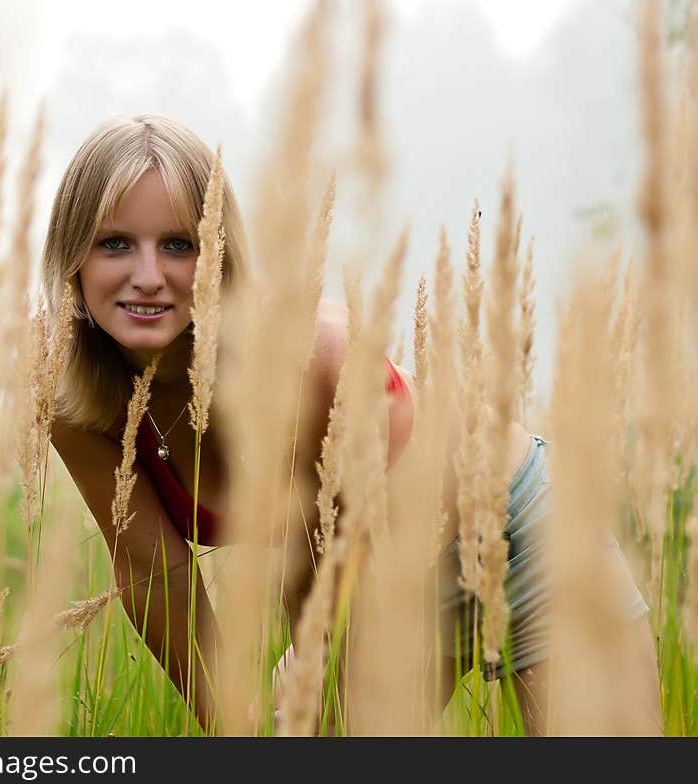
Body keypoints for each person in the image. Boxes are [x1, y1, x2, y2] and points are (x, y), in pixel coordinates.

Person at [43, 114, 662, 736]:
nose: (148, 276)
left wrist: (315, 648)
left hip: (516, 529)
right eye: (115, 242)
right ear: (71, 253)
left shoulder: (312, 357)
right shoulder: (68, 397)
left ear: (220, 255)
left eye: (179, 244)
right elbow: (157, 575)